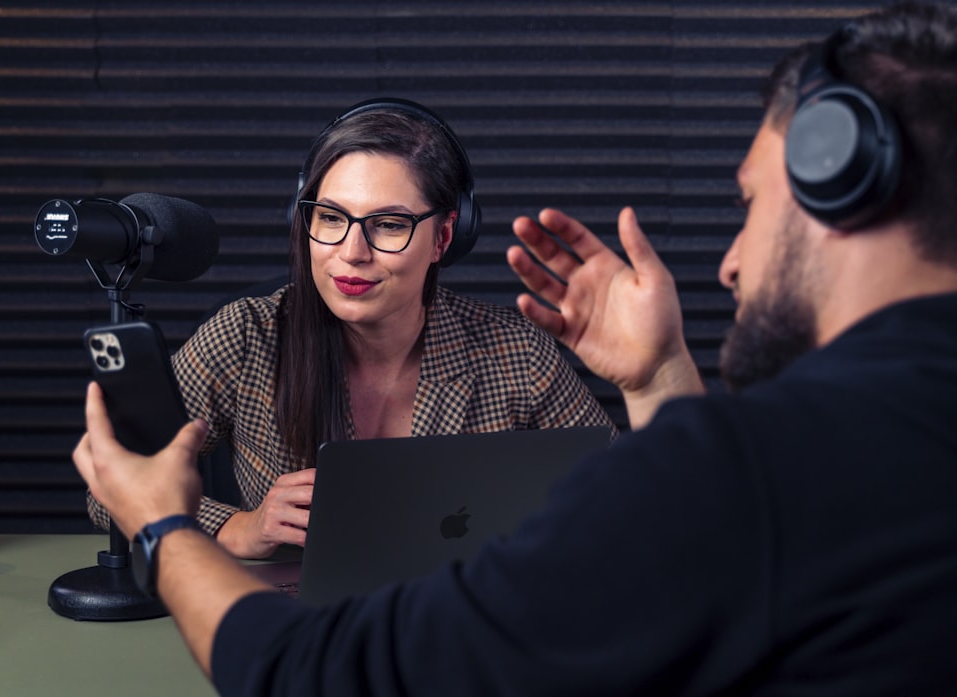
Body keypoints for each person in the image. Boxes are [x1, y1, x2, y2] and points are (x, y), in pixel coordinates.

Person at [74, 2, 957, 693]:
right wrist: (657, 378)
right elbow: (682, 541)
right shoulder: (247, 334)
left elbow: (313, 674)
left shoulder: (550, 371)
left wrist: (168, 526)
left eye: (748, 205)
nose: (729, 262)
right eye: (329, 219)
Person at [85, 98, 615, 559]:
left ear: (444, 236)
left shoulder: (516, 354)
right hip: (294, 632)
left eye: (388, 225)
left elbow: (627, 498)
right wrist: (236, 527)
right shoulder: (246, 336)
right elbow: (113, 482)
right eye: (331, 218)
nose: (351, 254)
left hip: (460, 627)